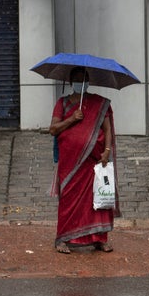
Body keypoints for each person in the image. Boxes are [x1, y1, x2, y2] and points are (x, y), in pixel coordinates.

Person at [49, 67, 118, 254]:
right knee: (68, 201)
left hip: (94, 162)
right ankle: (62, 239)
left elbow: (107, 129)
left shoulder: (99, 103)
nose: (82, 83)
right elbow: (53, 129)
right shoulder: (62, 104)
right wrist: (72, 119)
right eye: (78, 79)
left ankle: (99, 239)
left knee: (97, 200)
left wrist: (107, 150)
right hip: (70, 163)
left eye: (85, 79)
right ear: (71, 83)